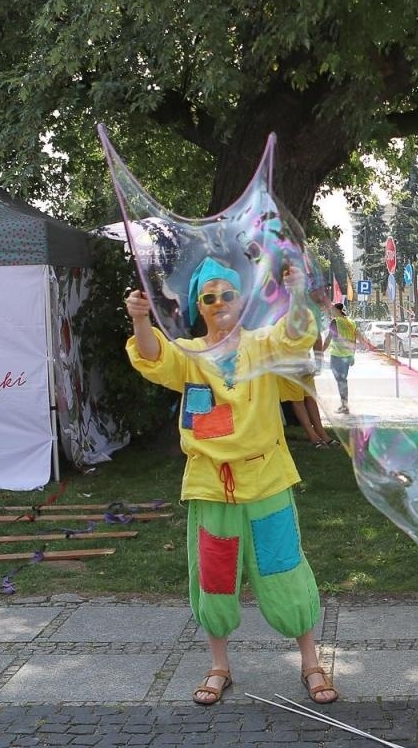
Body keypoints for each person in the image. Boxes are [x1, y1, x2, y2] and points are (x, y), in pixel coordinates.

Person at [125, 257, 339, 706]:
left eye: (227, 295)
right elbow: (153, 356)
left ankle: (310, 662)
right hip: (211, 484)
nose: (219, 302)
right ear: (199, 307)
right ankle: (219, 665)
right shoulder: (190, 354)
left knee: (285, 567)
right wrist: (141, 319)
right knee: (215, 576)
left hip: (266, 479)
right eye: (209, 297)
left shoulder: (261, 345)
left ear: (241, 302)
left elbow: (294, 335)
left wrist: (298, 294)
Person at [325, 302, 357, 414]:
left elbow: (328, 339)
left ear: (337, 310)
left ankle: (344, 405)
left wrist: (320, 352)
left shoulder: (335, 322)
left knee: (340, 381)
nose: (331, 311)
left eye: (333, 310)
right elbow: (354, 340)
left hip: (337, 356)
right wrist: (352, 356)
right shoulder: (351, 322)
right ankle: (344, 405)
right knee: (343, 380)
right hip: (347, 356)